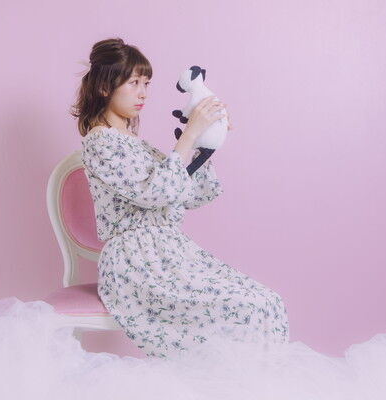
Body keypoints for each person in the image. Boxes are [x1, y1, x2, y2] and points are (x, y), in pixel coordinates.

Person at [70, 37, 289, 359]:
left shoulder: (136, 144)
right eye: (133, 83)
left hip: (170, 253)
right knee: (248, 308)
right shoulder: (100, 142)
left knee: (267, 303)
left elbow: (194, 194)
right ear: (104, 87)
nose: (143, 93)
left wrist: (205, 143)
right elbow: (155, 193)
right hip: (137, 263)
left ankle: (255, 382)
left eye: (146, 83)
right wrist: (188, 135)